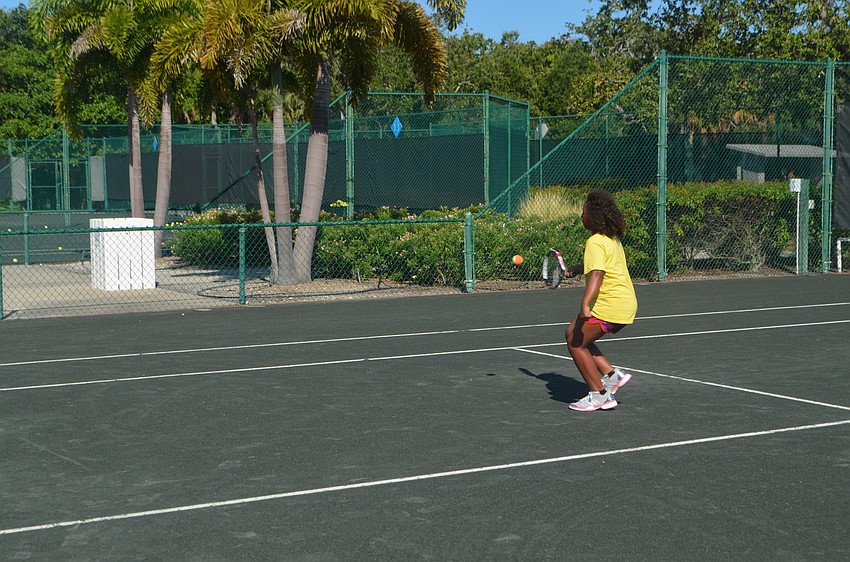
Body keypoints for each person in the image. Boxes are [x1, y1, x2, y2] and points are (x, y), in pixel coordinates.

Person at [564, 189, 637, 412]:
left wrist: (585, 304)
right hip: (624, 302)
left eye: (584, 212)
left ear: (594, 216)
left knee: (576, 343)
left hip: (610, 304)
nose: (581, 216)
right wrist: (577, 269)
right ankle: (611, 375)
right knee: (573, 333)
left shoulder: (594, 242)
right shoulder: (610, 239)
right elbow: (599, 267)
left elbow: (597, 274)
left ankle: (599, 395)